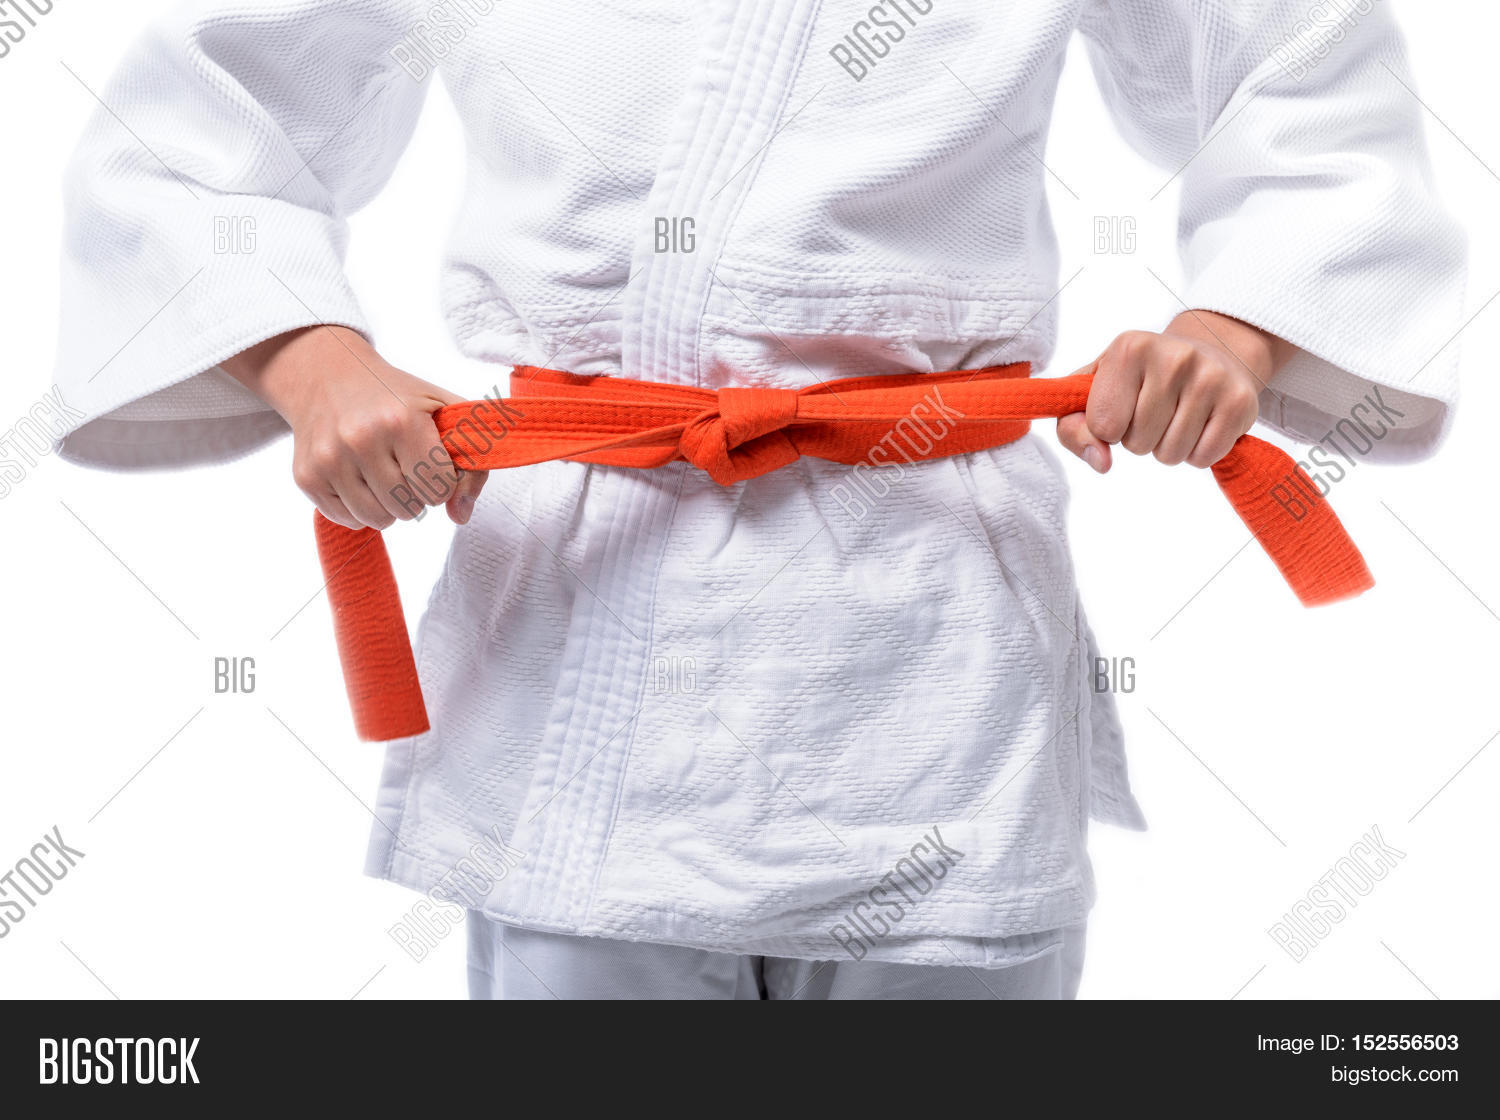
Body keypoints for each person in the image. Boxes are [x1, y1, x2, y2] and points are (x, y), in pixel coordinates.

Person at [53, 1, 1464, 999]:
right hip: (583, 635)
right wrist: (313, 359)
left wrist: (1235, 330)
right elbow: (196, 121)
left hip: (933, 643)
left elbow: (1307, 72)